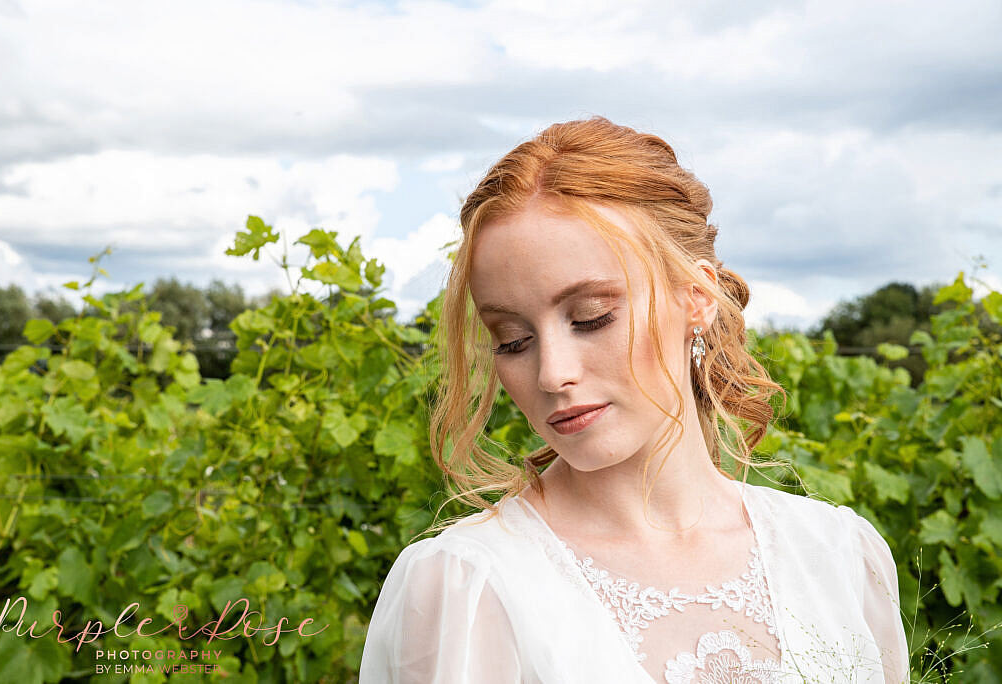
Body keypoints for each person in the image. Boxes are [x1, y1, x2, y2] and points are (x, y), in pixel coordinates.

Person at [358, 117, 909, 683]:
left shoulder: (839, 556)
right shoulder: (466, 585)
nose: (552, 373)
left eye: (592, 318)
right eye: (513, 340)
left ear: (696, 298)